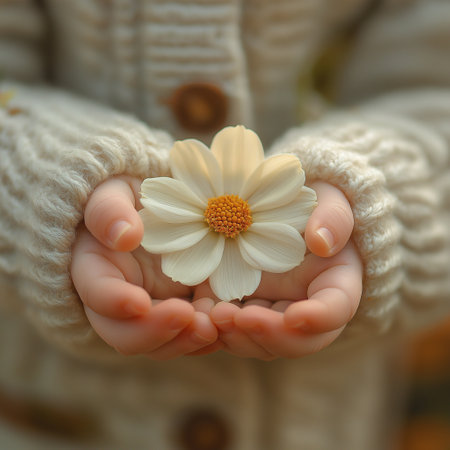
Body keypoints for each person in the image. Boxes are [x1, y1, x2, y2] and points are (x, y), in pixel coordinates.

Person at [0, 0, 449, 449]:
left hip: (312, 422)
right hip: (53, 412)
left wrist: (376, 203)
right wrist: (51, 190)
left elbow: (436, 93)